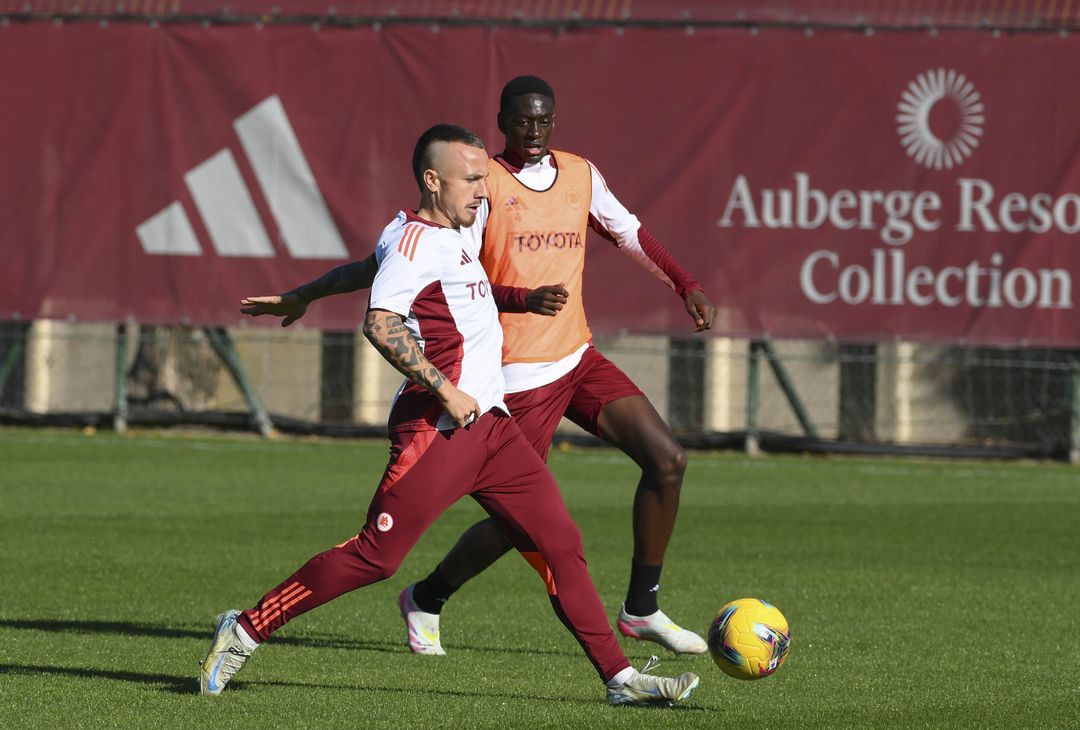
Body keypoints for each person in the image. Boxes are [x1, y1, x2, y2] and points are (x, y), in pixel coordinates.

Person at [202, 124, 700, 707]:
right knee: (376, 557)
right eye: (470, 180)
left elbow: (364, 267)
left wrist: (304, 295)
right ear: (432, 182)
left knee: (561, 543)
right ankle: (245, 629)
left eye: (484, 180)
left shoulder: (440, 229)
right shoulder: (417, 243)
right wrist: (444, 388)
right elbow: (379, 324)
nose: (482, 191)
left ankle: (621, 680)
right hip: (439, 430)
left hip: (493, 431)